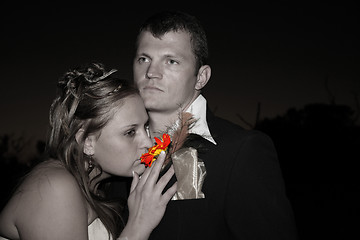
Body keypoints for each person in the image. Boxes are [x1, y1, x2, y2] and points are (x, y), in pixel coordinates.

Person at [132, 10, 298, 239]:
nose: (151, 72)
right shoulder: (117, 148)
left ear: (201, 77)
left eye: (171, 61)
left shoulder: (242, 151)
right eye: (144, 59)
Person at [0, 63, 177, 240]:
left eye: (145, 127)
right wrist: (138, 226)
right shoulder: (53, 187)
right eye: (130, 132)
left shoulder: (99, 187)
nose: (148, 142)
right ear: (87, 142)